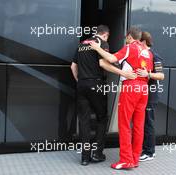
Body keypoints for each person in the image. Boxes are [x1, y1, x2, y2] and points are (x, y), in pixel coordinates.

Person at [70, 25, 136, 166]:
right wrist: (124, 73)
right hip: (97, 84)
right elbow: (104, 64)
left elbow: (73, 66)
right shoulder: (102, 43)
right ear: (105, 35)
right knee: (102, 118)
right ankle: (97, 153)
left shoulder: (82, 44)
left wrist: (80, 81)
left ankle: (85, 157)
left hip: (81, 85)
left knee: (84, 121)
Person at [90, 27, 154, 170]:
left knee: (124, 124)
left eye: (126, 37)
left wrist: (97, 48)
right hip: (144, 88)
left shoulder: (129, 47)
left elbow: (111, 58)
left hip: (131, 86)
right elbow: (147, 72)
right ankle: (135, 158)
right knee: (138, 125)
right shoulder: (147, 52)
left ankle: (126, 160)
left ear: (129, 37)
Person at [136, 32, 164, 162]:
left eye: (138, 42)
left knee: (148, 123)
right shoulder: (142, 55)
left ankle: (150, 152)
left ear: (143, 42)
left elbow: (161, 76)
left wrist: (147, 74)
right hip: (141, 93)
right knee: (141, 123)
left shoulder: (154, 55)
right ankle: (143, 149)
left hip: (151, 94)